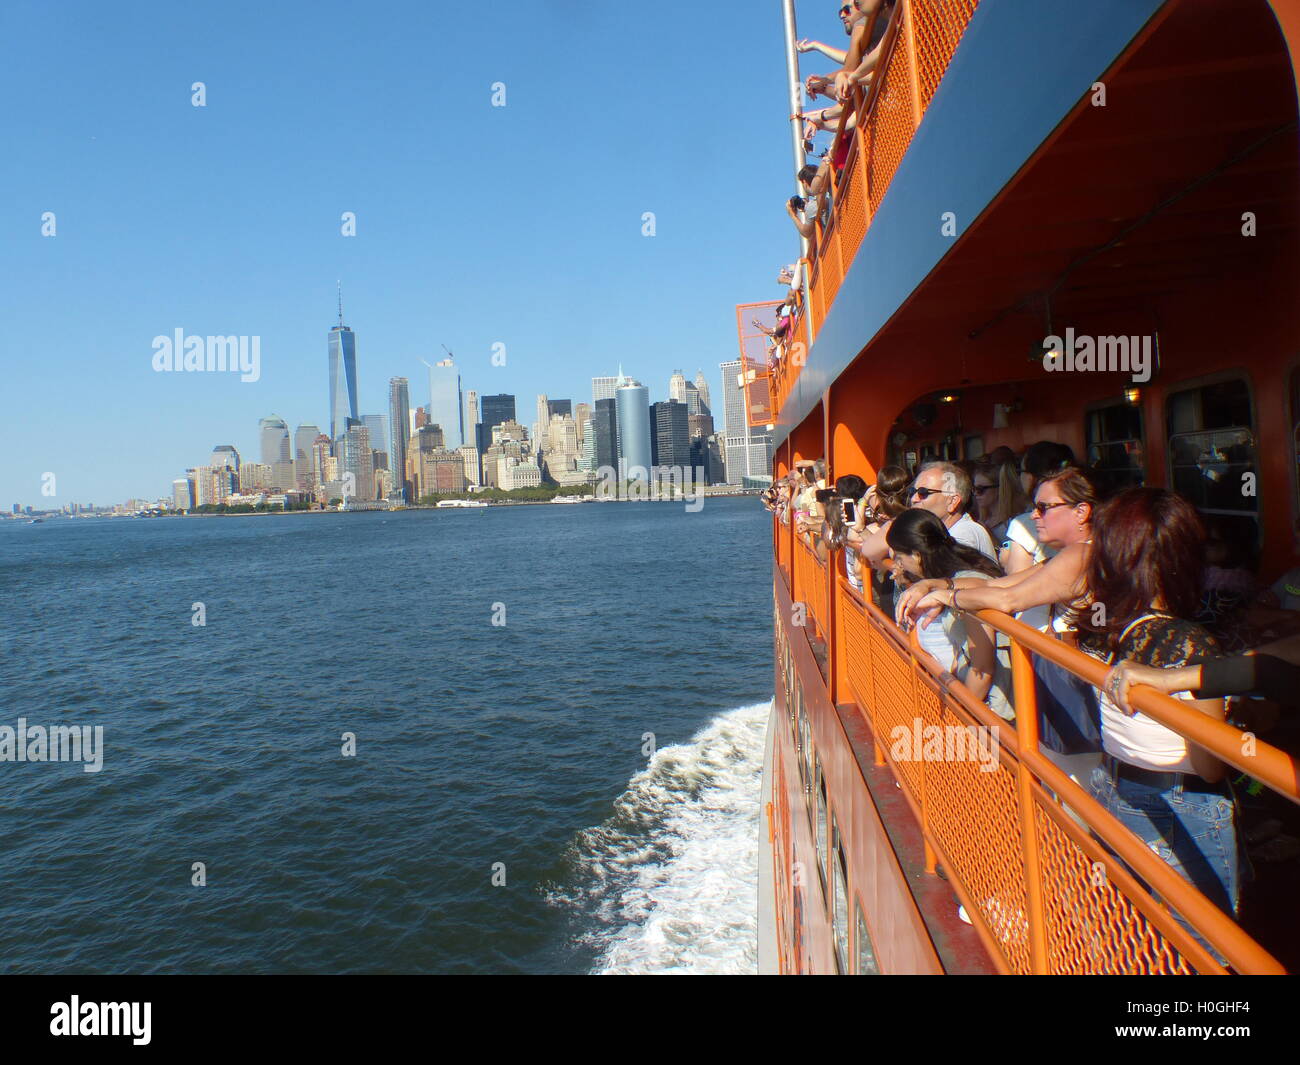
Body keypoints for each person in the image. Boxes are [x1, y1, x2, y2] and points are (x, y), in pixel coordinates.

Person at [1077, 488, 1239, 922]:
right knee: (1203, 945)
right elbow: (1210, 767)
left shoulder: (1095, 623)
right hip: (1181, 804)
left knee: (1125, 930)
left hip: (1111, 785)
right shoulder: (1189, 643)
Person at [886, 509, 1012, 718]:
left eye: (899, 557)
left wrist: (958, 714)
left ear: (917, 555)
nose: (898, 564)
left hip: (989, 714)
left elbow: (982, 668)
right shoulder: (951, 573)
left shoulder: (966, 588)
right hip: (969, 698)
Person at [1000, 441, 1076, 575]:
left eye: (1021, 471)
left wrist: (1007, 562)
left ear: (1031, 477)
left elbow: (1015, 589)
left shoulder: (1022, 524)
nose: (1035, 516)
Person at [908, 461, 998, 560]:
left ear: (952, 501)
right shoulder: (943, 534)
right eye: (912, 491)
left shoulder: (963, 536)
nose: (914, 499)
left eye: (923, 492)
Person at [973, 457, 1029, 546]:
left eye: (980, 489)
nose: (976, 493)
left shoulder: (1014, 522)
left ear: (999, 489)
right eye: (974, 489)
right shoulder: (983, 520)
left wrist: (989, 537)